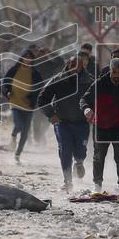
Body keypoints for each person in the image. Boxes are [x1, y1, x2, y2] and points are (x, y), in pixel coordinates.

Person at [80, 58, 119, 194]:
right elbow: (84, 99)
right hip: (101, 125)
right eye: (114, 72)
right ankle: (97, 184)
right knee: (99, 156)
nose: (116, 75)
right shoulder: (100, 83)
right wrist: (86, 109)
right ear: (110, 70)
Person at [38, 54, 93, 189]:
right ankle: (67, 181)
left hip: (82, 123)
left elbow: (97, 99)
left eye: (78, 65)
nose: (74, 68)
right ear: (68, 65)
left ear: (82, 67)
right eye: (72, 64)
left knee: (81, 150)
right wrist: (51, 115)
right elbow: (42, 99)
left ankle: (79, 162)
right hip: (62, 122)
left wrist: (93, 113)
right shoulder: (58, 80)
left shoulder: (89, 81)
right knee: (65, 149)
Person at [1, 49, 42, 163]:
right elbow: (5, 83)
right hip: (15, 102)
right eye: (26, 56)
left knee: (25, 132)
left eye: (30, 57)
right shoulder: (14, 70)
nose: (28, 59)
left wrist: (33, 98)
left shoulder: (35, 73)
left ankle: (17, 154)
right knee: (19, 125)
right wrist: (7, 92)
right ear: (22, 57)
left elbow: (40, 87)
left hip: (29, 105)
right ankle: (13, 135)